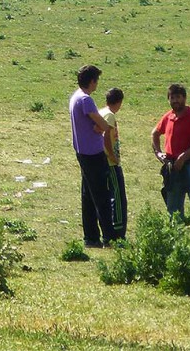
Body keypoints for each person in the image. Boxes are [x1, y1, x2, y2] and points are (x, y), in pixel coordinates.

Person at [69, 65, 118, 247]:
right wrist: (101, 126)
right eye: (96, 80)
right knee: (102, 197)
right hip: (93, 154)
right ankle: (109, 237)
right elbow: (103, 125)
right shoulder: (86, 100)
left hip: (82, 152)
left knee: (88, 196)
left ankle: (91, 237)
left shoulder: (75, 97)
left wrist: (97, 126)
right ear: (92, 81)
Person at [151, 83, 190, 242]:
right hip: (173, 168)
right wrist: (158, 153)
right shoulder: (168, 117)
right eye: (172, 97)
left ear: (184, 98)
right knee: (173, 207)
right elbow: (154, 133)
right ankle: (176, 243)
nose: (175, 100)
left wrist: (183, 157)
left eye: (178, 97)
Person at [98, 88, 126, 240]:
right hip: (110, 162)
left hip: (102, 161)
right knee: (118, 196)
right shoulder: (109, 115)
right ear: (119, 102)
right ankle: (118, 230)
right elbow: (106, 137)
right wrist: (113, 156)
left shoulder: (101, 111)